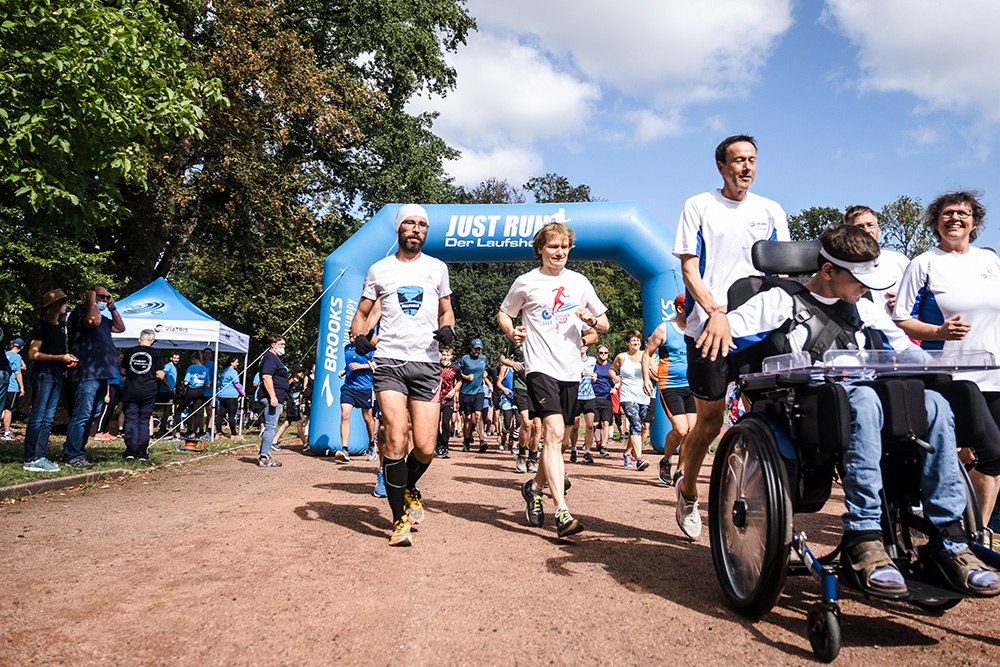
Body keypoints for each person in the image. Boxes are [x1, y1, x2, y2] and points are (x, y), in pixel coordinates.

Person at [725, 225, 998, 596]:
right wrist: (715, 318)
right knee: (865, 400)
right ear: (828, 271)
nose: (867, 288)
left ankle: (949, 541)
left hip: (870, 395)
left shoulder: (866, 307)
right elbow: (730, 327)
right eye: (860, 279)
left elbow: (905, 349)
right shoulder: (778, 300)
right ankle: (863, 533)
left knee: (934, 403)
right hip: (812, 404)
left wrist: (937, 371)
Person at [671, 134, 789, 538]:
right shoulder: (698, 205)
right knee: (709, 424)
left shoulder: (771, 210)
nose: (746, 167)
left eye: (752, 159)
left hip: (758, 330)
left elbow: (782, 272)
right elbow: (690, 269)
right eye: (738, 160)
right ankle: (687, 492)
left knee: (771, 417)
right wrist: (716, 312)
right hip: (709, 329)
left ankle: (766, 510)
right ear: (721, 167)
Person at [349, 203, 455, 546]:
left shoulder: (437, 269)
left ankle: (408, 485)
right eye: (409, 223)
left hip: (426, 363)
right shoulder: (379, 270)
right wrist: (359, 337)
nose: (415, 228)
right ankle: (398, 521)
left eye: (421, 224)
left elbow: (446, 310)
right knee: (395, 435)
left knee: (425, 447)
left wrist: (448, 328)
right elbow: (362, 313)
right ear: (399, 229)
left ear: (426, 232)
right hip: (390, 361)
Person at [892, 191, 1000, 526]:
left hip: (996, 372)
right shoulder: (924, 263)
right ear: (936, 221)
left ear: (975, 221)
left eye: (963, 212)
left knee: (994, 459)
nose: (955, 218)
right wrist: (938, 332)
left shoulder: (989, 261)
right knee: (977, 454)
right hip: (954, 376)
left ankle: (977, 532)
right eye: (947, 213)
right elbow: (900, 319)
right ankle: (948, 528)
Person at [499, 221, 609, 539]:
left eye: (564, 247)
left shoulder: (579, 282)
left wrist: (593, 320)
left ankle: (534, 487)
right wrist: (511, 330)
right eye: (552, 246)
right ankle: (561, 511)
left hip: (570, 369)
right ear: (540, 250)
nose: (559, 252)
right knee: (555, 431)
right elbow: (505, 313)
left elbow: (604, 323)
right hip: (539, 366)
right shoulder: (526, 282)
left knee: (559, 440)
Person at [63, 286, 126, 468]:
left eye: (107, 297)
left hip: (102, 374)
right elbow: (92, 321)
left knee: (92, 416)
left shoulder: (104, 318)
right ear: (91, 296)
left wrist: (113, 308)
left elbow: (120, 328)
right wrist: (91, 300)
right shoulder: (80, 313)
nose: (105, 300)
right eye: (102, 297)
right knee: (82, 415)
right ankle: (73, 455)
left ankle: (78, 451)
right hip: (86, 373)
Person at [642, 294, 695, 486]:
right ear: (680, 308)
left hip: (693, 386)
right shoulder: (664, 328)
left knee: (692, 432)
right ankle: (665, 461)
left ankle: (680, 471)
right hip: (670, 385)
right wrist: (647, 378)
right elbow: (647, 354)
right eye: (690, 306)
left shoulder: (695, 328)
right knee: (681, 430)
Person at [23, 290, 78, 472]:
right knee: (38, 417)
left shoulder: (62, 328)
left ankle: (40, 456)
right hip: (44, 375)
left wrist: (66, 360)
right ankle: (32, 457)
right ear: (55, 306)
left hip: (57, 375)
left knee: (47, 419)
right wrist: (59, 358)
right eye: (64, 303)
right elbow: (33, 354)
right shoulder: (42, 327)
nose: (67, 306)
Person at [844, 205, 911, 313]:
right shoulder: (839, 267)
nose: (867, 230)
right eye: (860, 227)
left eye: (870, 225)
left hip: (895, 327)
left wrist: (906, 302)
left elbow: (921, 297)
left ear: (878, 229)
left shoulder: (899, 261)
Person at [120, 329, 165, 460]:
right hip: (148, 391)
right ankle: (142, 452)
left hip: (131, 390)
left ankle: (129, 451)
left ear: (139, 339)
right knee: (144, 420)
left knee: (131, 420)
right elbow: (161, 374)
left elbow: (122, 370)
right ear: (152, 341)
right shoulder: (156, 353)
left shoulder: (130, 351)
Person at [610, 331, 650, 470]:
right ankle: (639, 458)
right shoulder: (622, 357)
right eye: (633, 340)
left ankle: (627, 453)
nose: (636, 343)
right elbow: (612, 369)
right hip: (627, 395)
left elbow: (655, 372)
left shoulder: (646, 356)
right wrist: (615, 377)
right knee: (636, 424)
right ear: (627, 343)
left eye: (638, 340)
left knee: (639, 427)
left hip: (644, 396)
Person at [501, 338, 541, 474]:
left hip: (540, 387)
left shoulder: (544, 336)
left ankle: (533, 458)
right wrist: (512, 363)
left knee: (538, 426)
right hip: (521, 386)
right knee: (527, 423)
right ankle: (522, 455)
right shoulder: (516, 339)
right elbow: (502, 358)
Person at [337, 340, 377, 461]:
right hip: (349, 387)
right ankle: (345, 449)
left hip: (365, 388)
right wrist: (345, 370)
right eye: (349, 334)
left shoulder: (369, 348)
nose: (350, 337)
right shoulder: (347, 348)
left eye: (352, 334)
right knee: (345, 415)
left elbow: (376, 364)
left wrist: (361, 366)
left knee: (367, 418)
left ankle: (371, 444)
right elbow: (350, 362)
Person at [258, 334, 289, 467]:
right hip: (271, 396)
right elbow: (266, 377)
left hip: (277, 397)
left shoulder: (273, 358)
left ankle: (266, 453)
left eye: (284, 345)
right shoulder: (270, 358)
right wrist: (273, 396)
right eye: (281, 344)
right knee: (270, 427)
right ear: (273, 345)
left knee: (271, 426)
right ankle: (264, 456)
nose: (283, 347)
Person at [458, 339, 491, 453]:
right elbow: (458, 372)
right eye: (475, 348)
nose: (477, 351)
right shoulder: (465, 359)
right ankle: (466, 442)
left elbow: (484, 370)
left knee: (478, 415)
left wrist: (485, 373)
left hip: (479, 391)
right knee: (467, 419)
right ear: (471, 348)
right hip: (466, 392)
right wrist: (466, 377)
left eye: (479, 349)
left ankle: (482, 441)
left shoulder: (483, 358)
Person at [567, 342, 597, 465]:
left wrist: (594, 378)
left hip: (589, 396)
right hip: (575, 396)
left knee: (590, 425)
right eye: (579, 345)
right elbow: (567, 376)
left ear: (587, 347)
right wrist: (579, 375)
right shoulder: (571, 360)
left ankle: (587, 452)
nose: (582, 347)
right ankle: (573, 448)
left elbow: (595, 374)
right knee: (574, 425)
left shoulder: (593, 360)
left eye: (584, 345)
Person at [176, 352, 209, 440]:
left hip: (191, 390)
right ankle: (194, 432)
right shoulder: (205, 369)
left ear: (194, 359)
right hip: (200, 391)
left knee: (178, 411)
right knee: (197, 413)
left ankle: (178, 432)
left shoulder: (191, 368)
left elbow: (186, 381)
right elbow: (208, 384)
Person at [436, 346, 462, 458]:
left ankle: (445, 447)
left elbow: (460, 381)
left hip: (448, 399)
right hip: (435, 399)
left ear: (451, 356)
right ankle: (438, 443)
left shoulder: (455, 368)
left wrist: (454, 390)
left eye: (448, 355)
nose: (445, 357)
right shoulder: (435, 366)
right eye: (444, 355)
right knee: (434, 424)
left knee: (446, 423)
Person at [93, 350, 124, 441]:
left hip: (116, 387)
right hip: (109, 389)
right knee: (105, 410)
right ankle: (99, 431)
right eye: (120, 358)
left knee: (110, 410)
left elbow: (119, 379)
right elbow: (107, 381)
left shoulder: (117, 367)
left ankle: (105, 431)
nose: (121, 360)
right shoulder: (109, 367)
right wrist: (107, 394)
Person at [591, 344, 613, 456]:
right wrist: (591, 379)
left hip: (606, 398)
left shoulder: (611, 367)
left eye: (605, 353)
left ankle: (603, 446)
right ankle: (597, 440)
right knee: (594, 424)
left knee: (605, 423)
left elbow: (616, 380)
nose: (603, 354)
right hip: (594, 397)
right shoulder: (593, 365)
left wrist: (615, 388)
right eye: (601, 352)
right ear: (597, 353)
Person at [3, 338, 26, 440]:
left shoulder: (4, 354)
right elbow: (18, 372)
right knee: (8, 410)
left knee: (4, 407)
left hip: (3, 384)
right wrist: (22, 387)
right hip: (12, 386)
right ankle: (7, 433)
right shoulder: (17, 357)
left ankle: (3, 427)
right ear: (21, 347)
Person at [215, 356, 243, 439]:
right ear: (232, 362)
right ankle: (234, 434)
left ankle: (218, 433)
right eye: (236, 362)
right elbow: (237, 384)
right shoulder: (233, 372)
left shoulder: (224, 371)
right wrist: (242, 393)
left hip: (222, 395)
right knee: (232, 415)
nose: (237, 364)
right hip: (231, 396)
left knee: (220, 415)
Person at [155, 352, 180, 436]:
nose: (176, 360)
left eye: (177, 358)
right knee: (168, 408)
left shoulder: (175, 367)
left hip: (171, 391)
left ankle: (163, 426)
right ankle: (162, 427)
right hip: (165, 391)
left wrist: (174, 387)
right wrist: (169, 386)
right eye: (175, 358)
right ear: (171, 358)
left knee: (168, 409)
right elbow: (162, 376)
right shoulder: (168, 366)